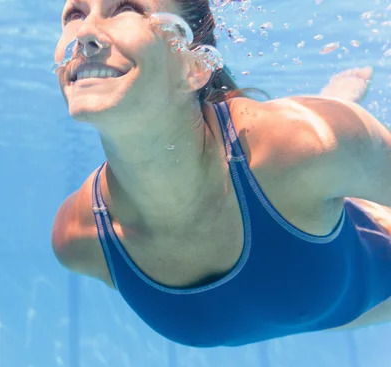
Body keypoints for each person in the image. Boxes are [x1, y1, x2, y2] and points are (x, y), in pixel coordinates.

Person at [50, 0, 391, 347]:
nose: (85, 33)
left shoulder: (310, 143)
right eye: (75, 15)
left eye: (126, 9)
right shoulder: (82, 238)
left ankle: (339, 101)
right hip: (322, 300)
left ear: (195, 64)